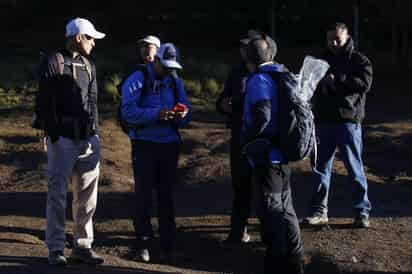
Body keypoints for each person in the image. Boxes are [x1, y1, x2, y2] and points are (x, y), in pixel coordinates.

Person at [34, 17, 105, 266]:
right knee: (57, 194)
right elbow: (43, 101)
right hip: (62, 139)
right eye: (91, 38)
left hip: (88, 139)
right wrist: (51, 134)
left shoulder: (89, 64)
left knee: (88, 197)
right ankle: (55, 248)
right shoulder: (54, 61)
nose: (94, 43)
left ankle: (82, 246)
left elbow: (93, 101)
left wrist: (95, 134)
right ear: (78, 37)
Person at [120, 43, 191, 263]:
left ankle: (168, 244)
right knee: (144, 195)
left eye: (173, 66)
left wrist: (181, 116)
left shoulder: (175, 81)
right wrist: (156, 114)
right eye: (166, 65)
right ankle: (143, 243)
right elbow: (128, 112)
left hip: (169, 144)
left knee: (167, 196)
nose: (170, 70)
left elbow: (187, 115)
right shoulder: (137, 78)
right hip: (144, 144)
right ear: (156, 60)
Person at [241, 36, 304, 274]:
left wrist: (247, 141)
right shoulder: (282, 73)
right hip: (283, 155)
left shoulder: (259, 80)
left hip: (266, 158)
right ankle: (295, 261)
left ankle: (276, 265)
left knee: (271, 215)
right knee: (287, 211)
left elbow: (263, 114)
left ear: (250, 58)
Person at [305, 22, 373, 228]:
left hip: (348, 122)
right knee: (320, 168)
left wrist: (339, 79)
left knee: (355, 168)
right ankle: (319, 212)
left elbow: (365, 84)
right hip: (324, 121)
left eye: (337, 39)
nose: (333, 43)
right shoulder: (320, 60)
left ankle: (362, 212)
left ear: (347, 37)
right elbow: (307, 84)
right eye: (330, 40)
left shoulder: (359, 60)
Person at [216, 30, 276, 246]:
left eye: (247, 47)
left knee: (264, 191)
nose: (243, 51)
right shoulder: (236, 72)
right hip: (240, 137)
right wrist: (223, 105)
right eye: (242, 47)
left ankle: (268, 236)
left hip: (261, 141)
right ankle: (237, 232)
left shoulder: (267, 73)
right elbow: (223, 98)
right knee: (240, 188)